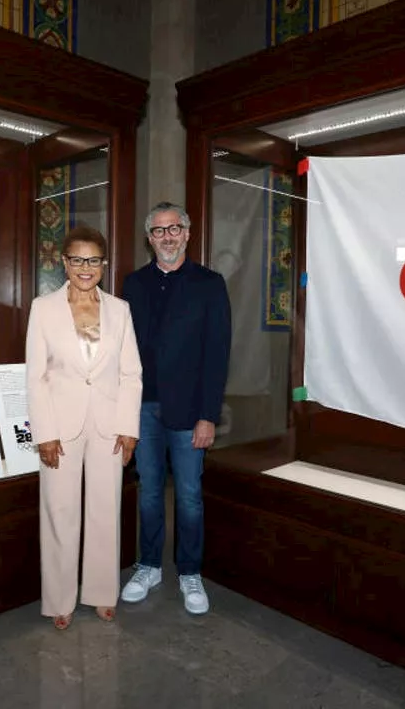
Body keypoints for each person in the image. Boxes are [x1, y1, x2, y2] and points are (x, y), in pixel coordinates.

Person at [26, 226, 143, 630]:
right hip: (60, 426)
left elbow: (131, 374)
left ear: (104, 264)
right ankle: (59, 599)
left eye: (93, 260)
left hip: (109, 426)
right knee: (59, 511)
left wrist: (129, 428)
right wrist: (44, 432)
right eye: (77, 259)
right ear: (64, 263)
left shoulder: (120, 310)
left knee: (105, 509)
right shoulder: (43, 309)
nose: (85, 267)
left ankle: (101, 592)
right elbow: (36, 376)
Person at [120, 201, 231, 615]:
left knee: (188, 496)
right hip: (142, 407)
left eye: (174, 229)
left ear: (187, 233)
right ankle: (148, 566)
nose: (167, 236)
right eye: (158, 231)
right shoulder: (133, 285)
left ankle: (189, 572)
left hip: (190, 413)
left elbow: (217, 354)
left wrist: (208, 415)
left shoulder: (209, 284)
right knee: (149, 493)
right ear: (149, 239)